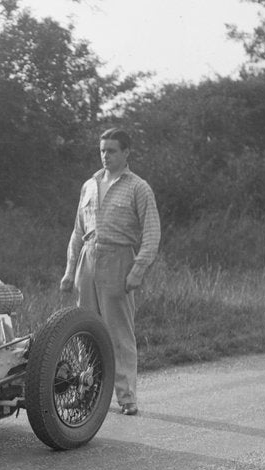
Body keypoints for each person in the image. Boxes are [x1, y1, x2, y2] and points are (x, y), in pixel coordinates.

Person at [60, 128, 161, 416]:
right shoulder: (89, 185)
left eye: (112, 150)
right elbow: (78, 230)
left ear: (126, 152)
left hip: (119, 259)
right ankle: (85, 392)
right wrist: (69, 271)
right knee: (85, 330)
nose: (106, 155)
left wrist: (138, 270)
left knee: (118, 332)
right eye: (102, 150)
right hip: (88, 259)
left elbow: (152, 233)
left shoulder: (138, 187)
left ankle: (127, 398)